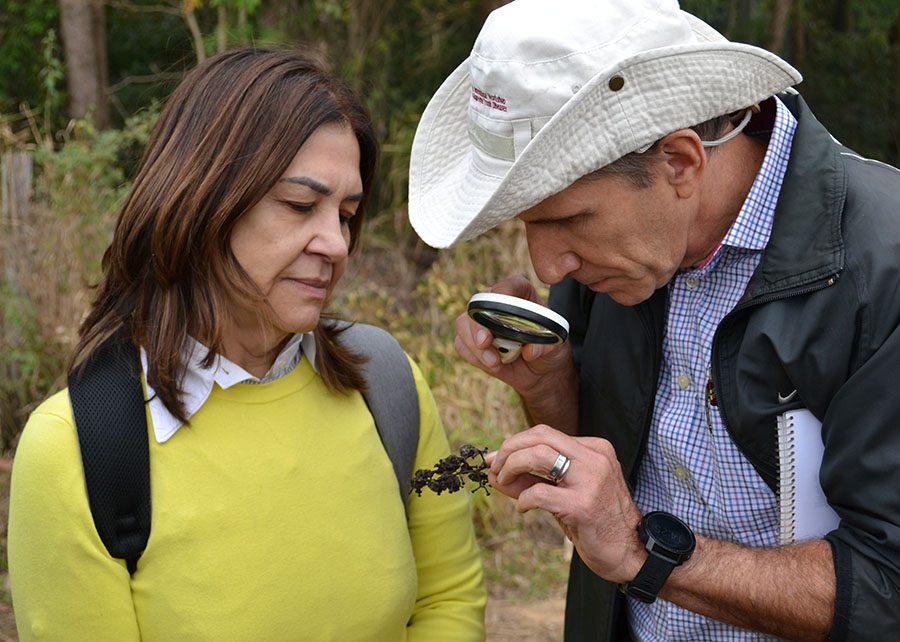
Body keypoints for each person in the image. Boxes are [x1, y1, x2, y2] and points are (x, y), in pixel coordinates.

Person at [407, 0, 900, 640]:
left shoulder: (878, 269)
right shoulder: (623, 261)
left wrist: (646, 552)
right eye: (529, 226)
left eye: (568, 220)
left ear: (680, 164)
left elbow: (885, 587)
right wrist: (547, 384)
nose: (548, 267)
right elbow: (598, 476)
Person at [8, 47, 485, 641]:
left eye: (346, 214)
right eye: (300, 205)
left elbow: (448, 599)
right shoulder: (76, 451)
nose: (336, 244)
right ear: (202, 200)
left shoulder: (386, 383)